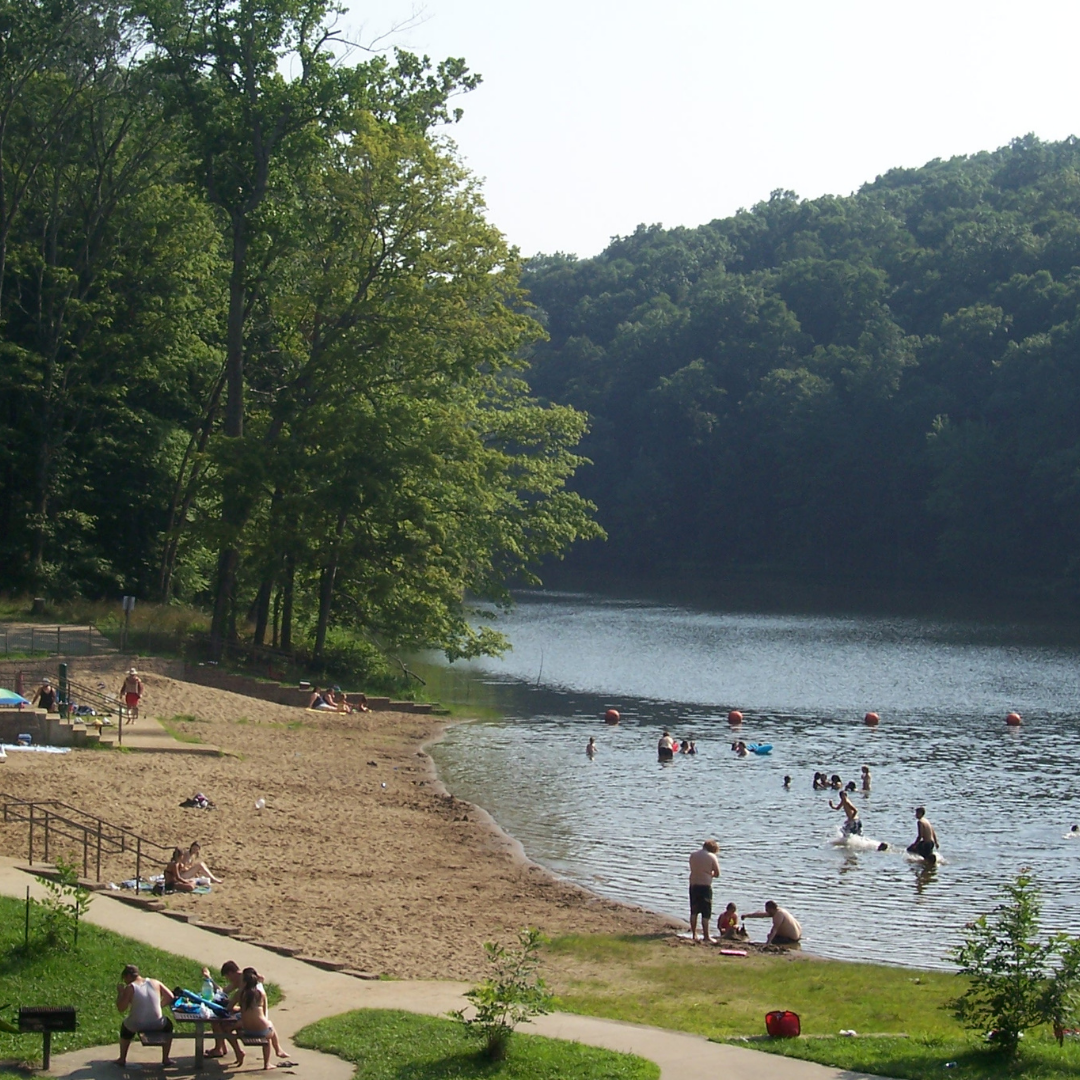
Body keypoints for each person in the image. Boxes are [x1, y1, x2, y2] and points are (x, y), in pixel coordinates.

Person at [115, 964, 175, 1067]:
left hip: (137, 1024)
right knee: (168, 1026)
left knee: (125, 1027)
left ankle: (122, 1058)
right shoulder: (155, 982)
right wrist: (159, 1006)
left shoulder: (130, 987)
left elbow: (121, 1008)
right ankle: (166, 1058)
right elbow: (170, 996)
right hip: (157, 1023)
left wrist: (121, 993)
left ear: (128, 976)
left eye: (124, 979)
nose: (125, 982)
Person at [237, 966, 289, 1068]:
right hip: (262, 1031)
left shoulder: (241, 994)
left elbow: (239, 1009)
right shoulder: (261, 994)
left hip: (247, 1030)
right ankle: (273, 1055)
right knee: (269, 1026)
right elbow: (265, 1013)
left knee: (266, 1026)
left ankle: (277, 1050)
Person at [688, 839, 720, 944]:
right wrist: (710, 874)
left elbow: (693, 868)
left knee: (694, 911)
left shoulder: (693, 855)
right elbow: (717, 873)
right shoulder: (711, 857)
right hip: (705, 885)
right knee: (706, 913)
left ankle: (694, 934)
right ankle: (706, 936)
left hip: (693, 884)